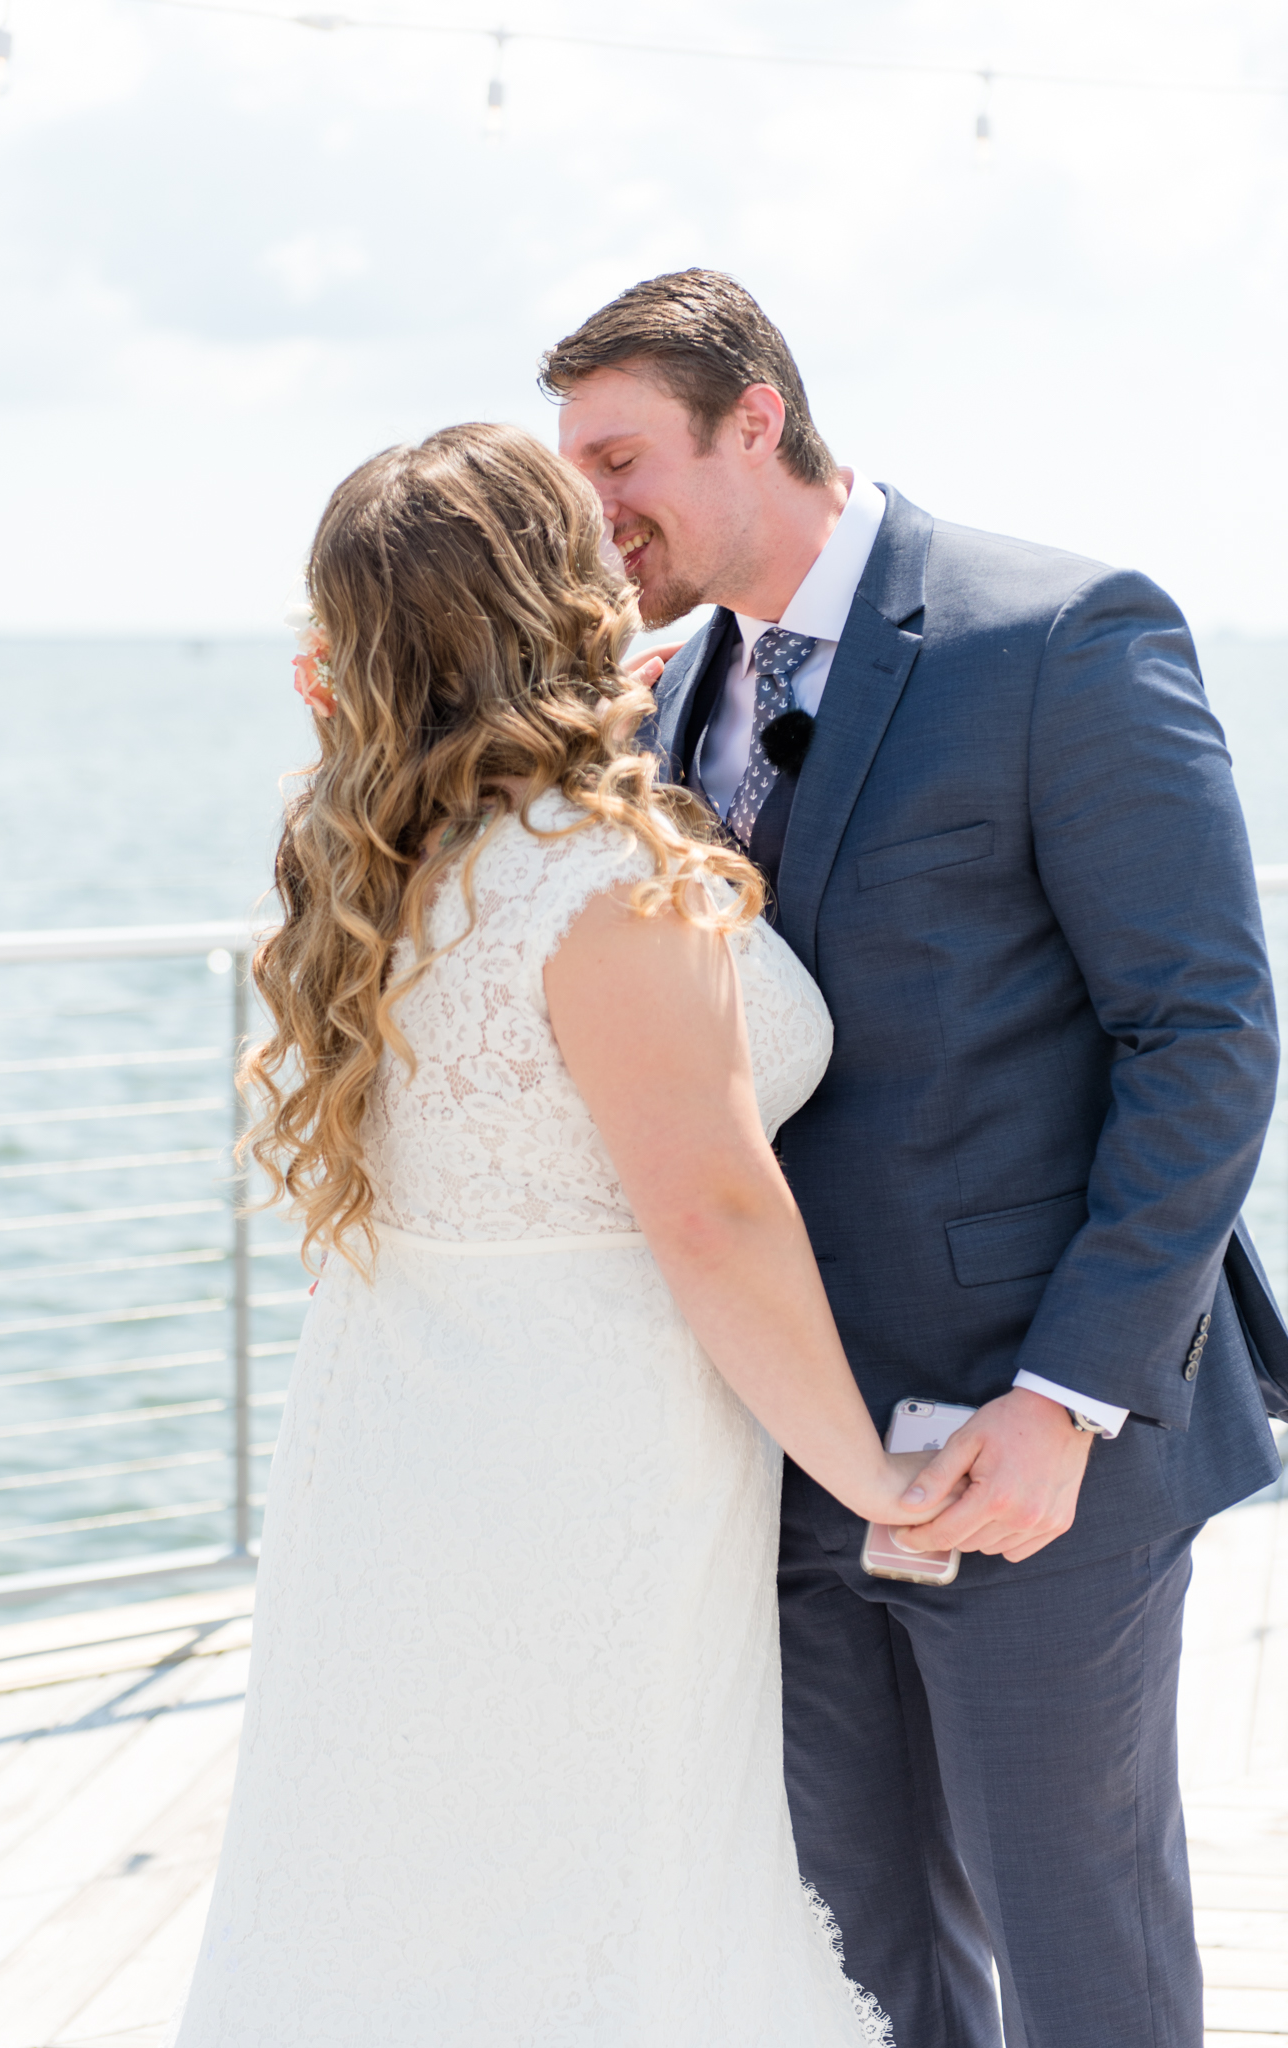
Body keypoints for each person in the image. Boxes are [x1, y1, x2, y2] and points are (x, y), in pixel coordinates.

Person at [545, 267, 1288, 2048]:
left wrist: (1068, 1402)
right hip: (777, 1450)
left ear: (758, 419)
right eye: (571, 474)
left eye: (624, 459)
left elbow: (1205, 1034)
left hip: (1031, 1453)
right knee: (854, 1963)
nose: (596, 513)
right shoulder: (657, 703)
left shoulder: (1058, 634)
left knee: (1079, 1959)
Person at [166, 422, 955, 2046]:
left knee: (408, 1869)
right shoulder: (606, 882)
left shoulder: (371, 853)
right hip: (586, 1461)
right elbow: (715, 1212)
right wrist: (871, 1476)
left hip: (396, 1432)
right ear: (566, 596)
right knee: (591, 1877)